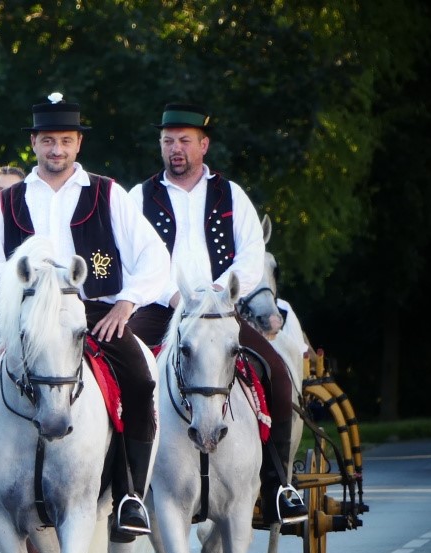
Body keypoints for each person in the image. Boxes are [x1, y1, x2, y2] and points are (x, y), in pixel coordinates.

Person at [0, 93, 171, 540]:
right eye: (48, 140)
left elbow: (153, 256)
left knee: (140, 382)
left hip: (95, 313)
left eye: (65, 140)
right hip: (22, 316)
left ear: (78, 144)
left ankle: (128, 496)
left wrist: (128, 303)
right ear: (34, 144)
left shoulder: (107, 193)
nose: (56, 149)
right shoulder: (9, 201)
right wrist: (18, 288)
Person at [128, 103, 307, 525]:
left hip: (222, 313)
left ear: (203, 145)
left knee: (279, 378)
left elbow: (250, 256)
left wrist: (219, 294)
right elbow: (130, 256)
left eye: (184, 141)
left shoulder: (232, 194)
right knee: (124, 378)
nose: (176, 149)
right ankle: (127, 490)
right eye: (168, 140)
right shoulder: (139, 196)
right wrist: (174, 295)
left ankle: (278, 485)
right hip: (160, 308)